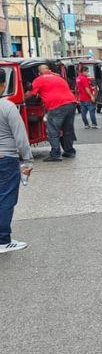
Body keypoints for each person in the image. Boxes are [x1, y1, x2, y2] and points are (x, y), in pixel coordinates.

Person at [0, 94, 33, 252]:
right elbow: (20, 136)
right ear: (3, 85)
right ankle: (3, 240)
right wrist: (28, 161)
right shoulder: (7, 107)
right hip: (5, 158)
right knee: (6, 199)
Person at [27, 63, 77, 161]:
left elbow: (30, 94)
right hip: (71, 103)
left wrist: (21, 99)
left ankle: (55, 154)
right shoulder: (59, 77)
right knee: (67, 129)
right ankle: (69, 151)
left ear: (38, 73)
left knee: (53, 130)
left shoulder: (39, 79)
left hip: (57, 105)